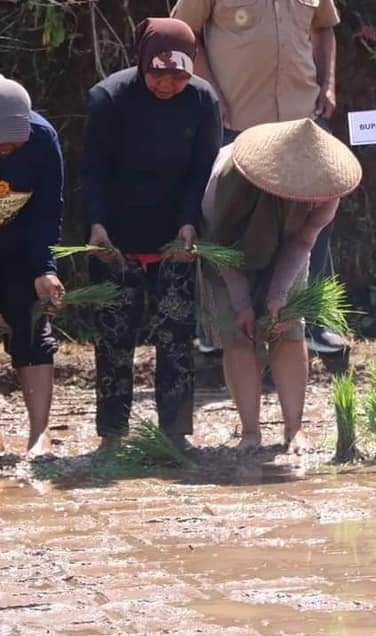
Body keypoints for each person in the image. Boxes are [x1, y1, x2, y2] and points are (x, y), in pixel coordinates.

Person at [171, 0, 347, 355]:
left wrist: (327, 84)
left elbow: (324, 27)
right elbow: (183, 32)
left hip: (300, 124)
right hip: (238, 123)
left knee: (311, 223)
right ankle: (216, 326)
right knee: (223, 222)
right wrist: (210, 92)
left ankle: (308, 319)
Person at [81, 18, 222, 453]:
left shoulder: (202, 100)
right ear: (141, 63)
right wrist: (97, 224)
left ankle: (175, 434)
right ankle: (112, 435)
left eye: (178, 76)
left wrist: (189, 224)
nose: (166, 84)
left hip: (173, 241)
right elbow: (93, 171)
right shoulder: (109, 98)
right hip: (115, 238)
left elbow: (202, 171)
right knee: (113, 340)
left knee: (176, 337)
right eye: (157, 74)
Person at [200, 118, 361, 454]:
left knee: (289, 331)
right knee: (238, 335)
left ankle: (294, 430)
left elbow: (303, 240)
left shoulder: (327, 188)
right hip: (225, 251)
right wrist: (243, 303)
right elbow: (218, 245)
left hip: (285, 249)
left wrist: (279, 295)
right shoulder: (226, 180)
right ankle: (250, 432)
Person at [0, 76, 65, 458]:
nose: (9, 148)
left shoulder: (41, 139)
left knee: (33, 331)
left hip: (20, 245)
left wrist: (45, 267)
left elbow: (47, 210)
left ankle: (38, 434)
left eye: (14, 141)